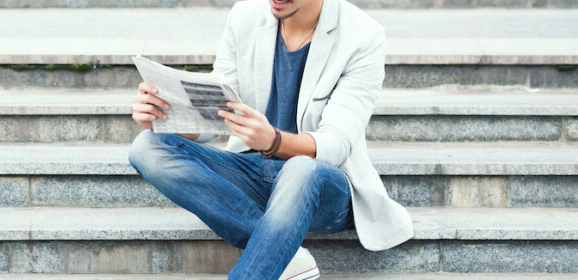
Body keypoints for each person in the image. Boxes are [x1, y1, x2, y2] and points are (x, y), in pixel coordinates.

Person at [128, 0, 414, 278]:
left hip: (323, 184)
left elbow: (336, 146)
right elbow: (216, 114)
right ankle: (286, 254)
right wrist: (163, 116)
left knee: (301, 168)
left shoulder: (362, 35)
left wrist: (273, 141)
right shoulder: (245, 15)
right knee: (147, 146)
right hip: (253, 172)